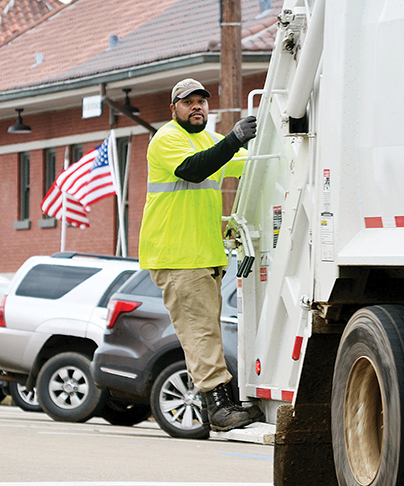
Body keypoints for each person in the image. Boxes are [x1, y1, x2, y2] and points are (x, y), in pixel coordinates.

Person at [139, 78, 263, 431]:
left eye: (202, 101)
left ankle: (223, 404)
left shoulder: (209, 140)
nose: (197, 107)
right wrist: (235, 138)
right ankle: (219, 409)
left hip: (202, 254)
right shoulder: (167, 139)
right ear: (173, 108)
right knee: (200, 333)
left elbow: (248, 164)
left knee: (206, 329)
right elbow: (195, 169)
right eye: (188, 102)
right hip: (177, 255)